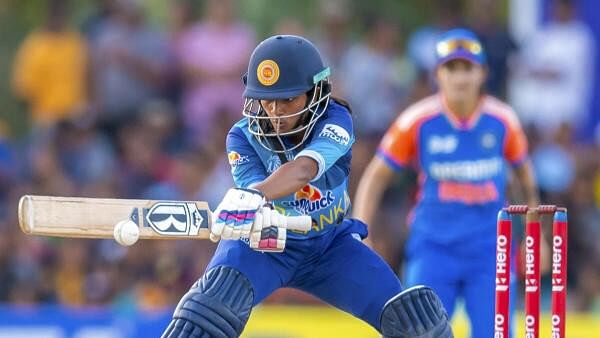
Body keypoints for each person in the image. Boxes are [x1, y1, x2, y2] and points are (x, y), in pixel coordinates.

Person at [161, 35, 454, 338]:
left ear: (315, 93)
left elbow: (304, 170)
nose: (276, 111)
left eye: (288, 98)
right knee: (202, 319)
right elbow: (254, 194)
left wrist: (253, 194)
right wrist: (250, 199)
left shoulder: (336, 118)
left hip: (331, 247)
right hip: (265, 244)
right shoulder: (241, 137)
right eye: (267, 98)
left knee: (416, 325)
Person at [353, 29, 540, 337]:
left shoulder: (503, 119)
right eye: (451, 68)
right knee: (417, 332)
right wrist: (362, 231)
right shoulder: (417, 119)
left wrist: (536, 240)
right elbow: (375, 176)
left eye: (468, 68)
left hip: (490, 250)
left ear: (483, 73)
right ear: (438, 74)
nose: (460, 78)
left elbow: (525, 178)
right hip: (433, 248)